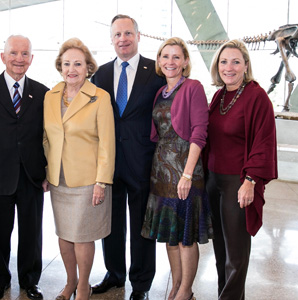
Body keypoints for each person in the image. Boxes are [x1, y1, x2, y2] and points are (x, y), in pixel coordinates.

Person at [0, 35, 49, 300]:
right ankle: (0, 280)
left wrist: (47, 172)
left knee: (31, 233)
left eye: (25, 53)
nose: (19, 58)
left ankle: (29, 280)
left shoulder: (42, 92)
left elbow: (47, 137)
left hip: (31, 176)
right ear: (2, 57)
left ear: (31, 59)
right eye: (13, 53)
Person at [90, 14, 166, 300]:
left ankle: (142, 284)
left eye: (127, 33)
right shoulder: (101, 74)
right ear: (111, 40)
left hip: (142, 162)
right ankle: (115, 274)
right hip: (109, 164)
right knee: (110, 225)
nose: (122, 39)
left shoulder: (155, 72)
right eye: (117, 35)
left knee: (141, 226)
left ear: (138, 36)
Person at [140, 37, 213, 300]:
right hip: (161, 172)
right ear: (159, 61)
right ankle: (176, 286)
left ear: (184, 61)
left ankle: (186, 290)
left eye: (176, 57)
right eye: (165, 56)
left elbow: (199, 133)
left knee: (185, 236)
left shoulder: (193, 87)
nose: (170, 62)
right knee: (170, 235)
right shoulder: (161, 92)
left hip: (185, 170)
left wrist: (187, 174)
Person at [43, 38, 115, 300]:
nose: (71, 69)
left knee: (83, 236)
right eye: (66, 64)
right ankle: (70, 282)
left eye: (77, 64)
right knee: (64, 234)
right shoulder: (50, 96)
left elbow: (107, 143)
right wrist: (45, 172)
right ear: (60, 67)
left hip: (88, 180)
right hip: (58, 179)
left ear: (88, 68)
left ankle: (83, 286)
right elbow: (45, 137)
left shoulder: (99, 97)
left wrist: (101, 181)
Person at [206, 39, 278, 300]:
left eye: (236, 61)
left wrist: (251, 180)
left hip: (238, 182)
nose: (229, 67)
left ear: (246, 66)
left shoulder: (256, 96)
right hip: (213, 182)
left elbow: (264, 140)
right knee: (220, 253)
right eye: (224, 62)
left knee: (236, 255)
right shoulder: (219, 95)